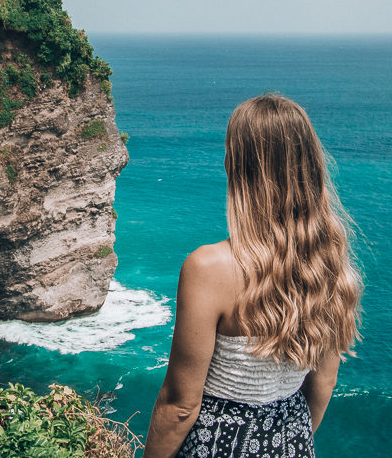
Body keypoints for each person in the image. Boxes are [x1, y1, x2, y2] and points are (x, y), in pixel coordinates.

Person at [144, 94, 362, 457]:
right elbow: (324, 382)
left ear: (239, 167)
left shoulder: (209, 267)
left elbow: (180, 405)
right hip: (291, 441)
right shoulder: (330, 266)